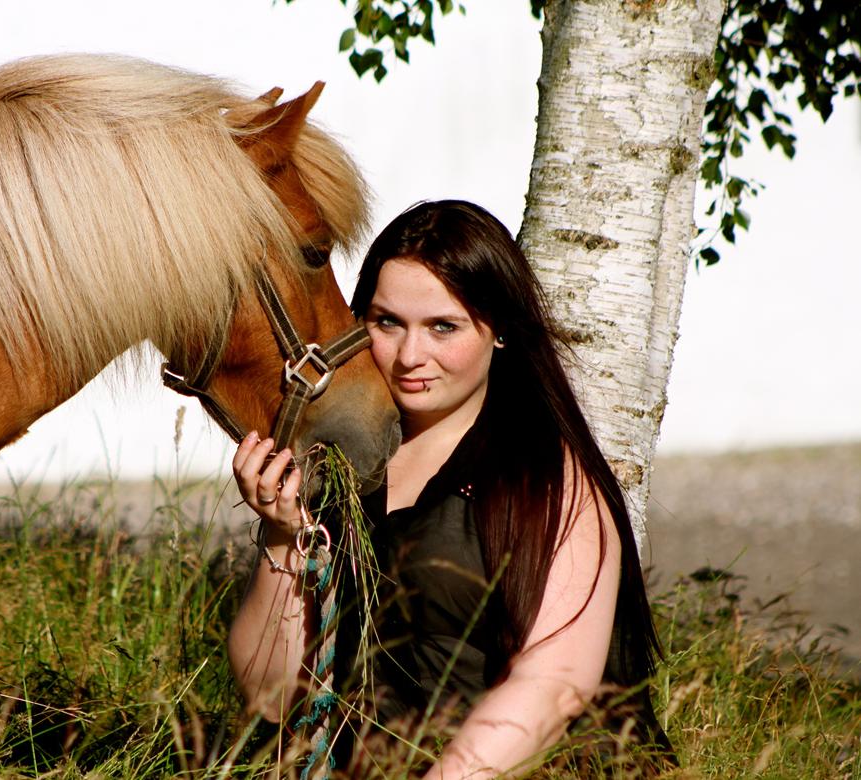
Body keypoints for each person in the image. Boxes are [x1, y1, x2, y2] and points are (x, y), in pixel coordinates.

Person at [227, 200, 673, 778]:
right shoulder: (341, 466)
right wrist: (282, 537)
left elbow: (554, 685)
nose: (412, 357)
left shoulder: (548, 480)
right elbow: (273, 695)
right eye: (387, 322)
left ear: (502, 330)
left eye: (444, 327)